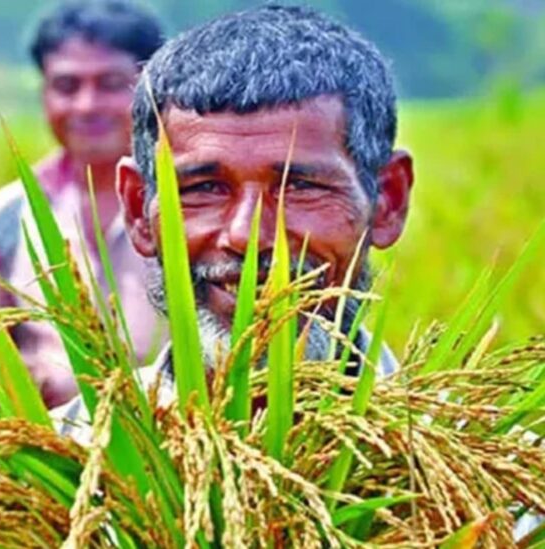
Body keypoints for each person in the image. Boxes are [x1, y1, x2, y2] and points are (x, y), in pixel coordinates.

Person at [53, 4, 409, 436]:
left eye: (300, 187)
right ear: (138, 210)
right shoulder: (66, 460)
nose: (246, 235)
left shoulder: (492, 480)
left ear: (388, 201)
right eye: (204, 189)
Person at [0, 0, 166, 408]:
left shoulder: (195, 203)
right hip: (47, 455)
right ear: (43, 91)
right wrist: (33, 385)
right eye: (67, 86)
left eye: (112, 84)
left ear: (151, 89)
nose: (86, 105)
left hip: (183, 448)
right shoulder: (9, 215)